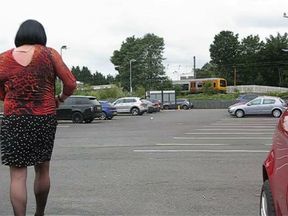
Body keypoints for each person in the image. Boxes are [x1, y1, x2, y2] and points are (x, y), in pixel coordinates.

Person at [0, 19, 77, 216]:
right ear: (41, 36)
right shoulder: (49, 54)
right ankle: (39, 213)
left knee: (17, 175)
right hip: (44, 118)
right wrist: (60, 98)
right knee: (42, 169)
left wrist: (8, 96)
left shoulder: (3, 58)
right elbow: (70, 83)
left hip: (14, 119)